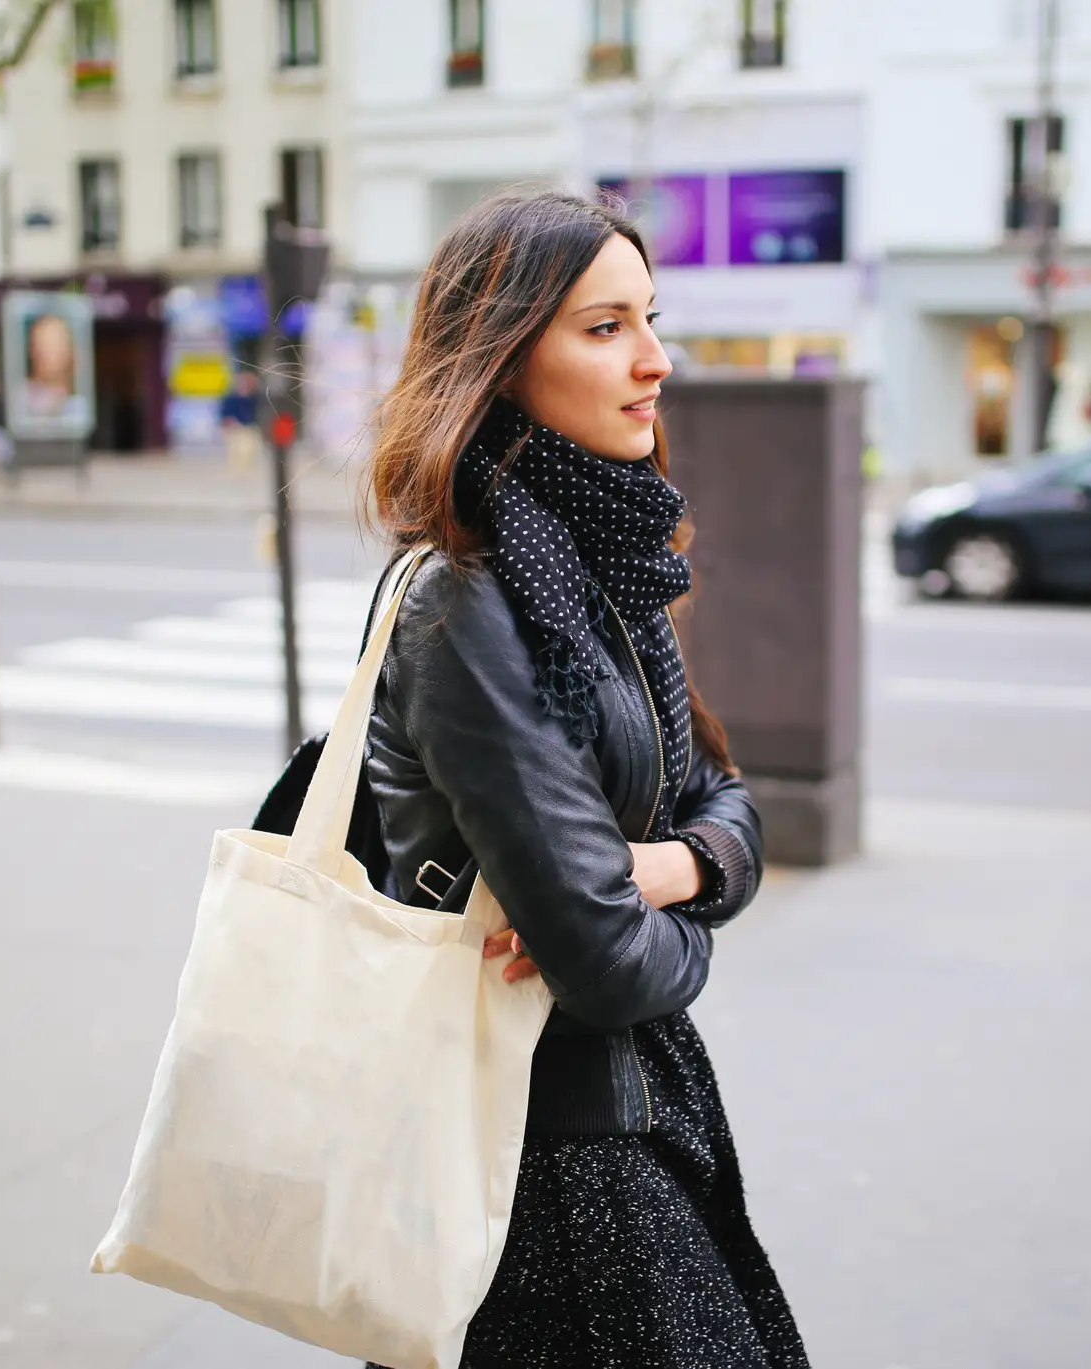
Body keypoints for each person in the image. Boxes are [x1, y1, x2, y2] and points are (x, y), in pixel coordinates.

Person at [360, 189, 806, 1369]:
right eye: (605, 328)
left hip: (640, 1115)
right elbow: (606, 964)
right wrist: (673, 901)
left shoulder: (600, 558)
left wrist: (673, 867)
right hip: (549, 1170)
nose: (654, 360)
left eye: (651, 320)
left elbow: (725, 801)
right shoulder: (467, 602)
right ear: (500, 360)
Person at [218, 369, 263, 473]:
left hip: (250, 427)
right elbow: (225, 412)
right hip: (236, 428)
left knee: (251, 447)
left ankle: (244, 469)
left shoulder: (254, 397)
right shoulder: (232, 398)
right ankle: (238, 470)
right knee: (239, 449)